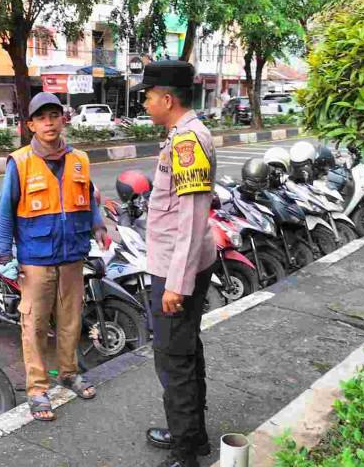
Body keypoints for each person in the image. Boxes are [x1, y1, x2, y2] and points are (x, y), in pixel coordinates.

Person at [0, 92, 110, 421]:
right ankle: (37, 388)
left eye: (54, 116)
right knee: (34, 324)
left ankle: (69, 373)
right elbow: (5, 212)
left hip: (73, 255)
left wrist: (99, 226)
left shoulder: (80, 160)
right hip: (35, 258)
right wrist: (5, 252)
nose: (49, 122)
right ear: (30, 124)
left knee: (71, 320)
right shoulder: (19, 162)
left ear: (63, 119)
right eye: (41, 118)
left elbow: (88, 198)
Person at [131, 60, 218, 467]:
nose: (145, 104)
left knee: (174, 359)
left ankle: (186, 455)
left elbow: (193, 217)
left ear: (167, 99)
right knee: (185, 352)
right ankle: (192, 435)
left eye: (148, 97)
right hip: (177, 264)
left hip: (176, 271)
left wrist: (175, 285)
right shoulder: (180, 137)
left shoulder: (188, 142)